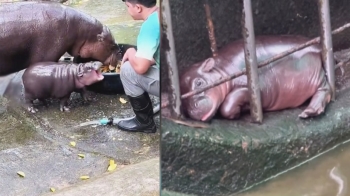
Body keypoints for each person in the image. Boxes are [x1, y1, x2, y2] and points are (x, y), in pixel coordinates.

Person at [118, 0, 160, 133]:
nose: (127, 10)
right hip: (197, 76)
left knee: (127, 70)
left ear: (138, 8)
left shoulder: (150, 26)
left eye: (128, 6)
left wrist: (131, 52)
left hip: (181, 87)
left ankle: (144, 122)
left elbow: (141, 67)